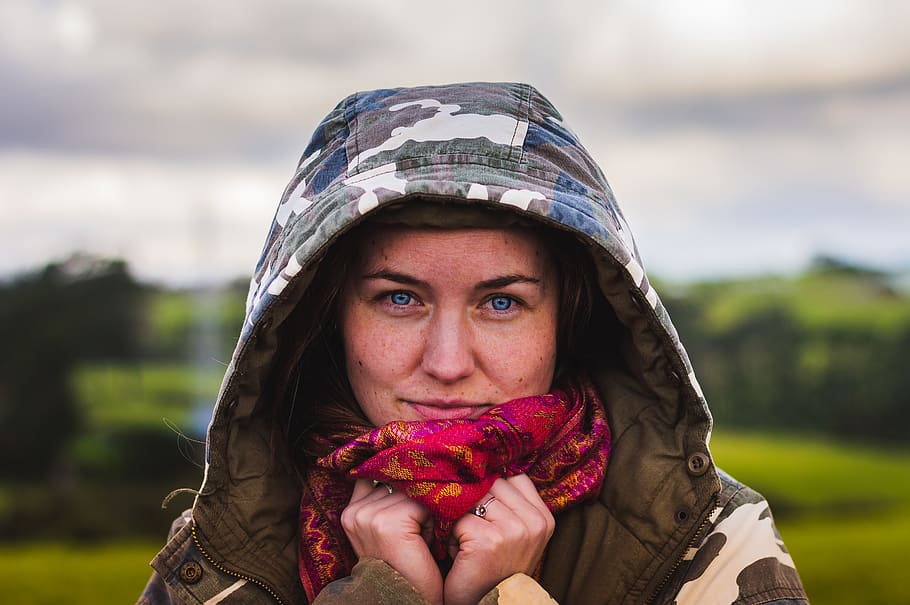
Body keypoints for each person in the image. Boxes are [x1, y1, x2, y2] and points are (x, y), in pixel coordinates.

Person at [138, 82, 808, 605]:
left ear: (566, 322)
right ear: (326, 317)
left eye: (501, 302)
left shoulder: (708, 541)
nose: (449, 363)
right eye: (399, 298)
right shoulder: (221, 560)